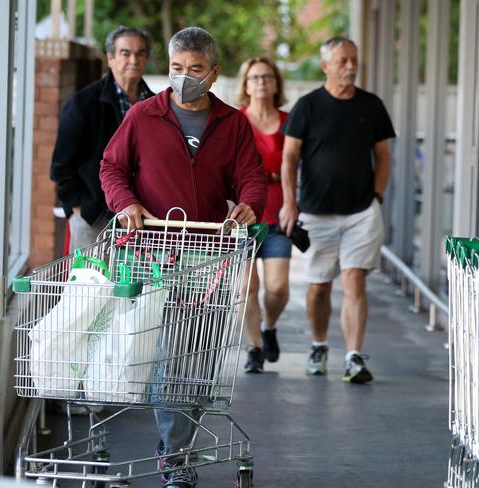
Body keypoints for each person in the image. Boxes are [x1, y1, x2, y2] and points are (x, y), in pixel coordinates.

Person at [100, 27, 267, 488]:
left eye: (195, 70)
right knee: (172, 355)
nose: (184, 78)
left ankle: (176, 448)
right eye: (176, 68)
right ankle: (175, 457)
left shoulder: (232, 124)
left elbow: (252, 177)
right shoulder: (142, 116)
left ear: (213, 74)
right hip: (155, 252)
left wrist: (250, 205)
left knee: (200, 358)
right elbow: (112, 167)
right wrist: (126, 203)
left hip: (210, 256)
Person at [279, 36, 395, 383]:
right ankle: (318, 345)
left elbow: (384, 156)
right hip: (316, 213)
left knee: (355, 279)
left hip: (361, 211)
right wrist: (290, 201)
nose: (350, 66)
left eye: (354, 60)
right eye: (342, 60)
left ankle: (353, 356)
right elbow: (289, 157)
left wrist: (376, 196)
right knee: (320, 287)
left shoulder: (371, 105)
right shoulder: (308, 106)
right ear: (326, 65)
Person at [50, 26, 155, 251]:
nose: (133, 60)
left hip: (142, 221)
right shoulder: (82, 104)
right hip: (94, 218)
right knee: (91, 285)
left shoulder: (156, 106)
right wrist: (79, 208)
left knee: (135, 285)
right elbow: (61, 165)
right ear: (111, 58)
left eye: (140, 53)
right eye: (125, 53)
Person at [236, 57, 291, 373]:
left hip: (279, 215)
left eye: (267, 77)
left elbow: (296, 167)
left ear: (276, 83)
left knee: (278, 288)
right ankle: (254, 347)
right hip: (244, 216)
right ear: (246, 84)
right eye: (255, 77)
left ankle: (270, 325)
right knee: (247, 288)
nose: (261, 83)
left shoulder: (288, 121)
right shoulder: (237, 121)